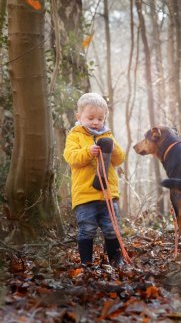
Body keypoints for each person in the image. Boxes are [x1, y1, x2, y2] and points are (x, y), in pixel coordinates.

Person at [63, 92, 126, 268]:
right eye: (90, 118)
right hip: (85, 194)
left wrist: (111, 147)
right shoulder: (75, 135)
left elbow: (119, 159)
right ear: (79, 117)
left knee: (111, 229)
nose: (96, 122)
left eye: (100, 118)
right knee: (87, 229)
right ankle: (86, 263)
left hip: (108, 193)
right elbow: (71, 157)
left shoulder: (108, 135)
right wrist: (87, 152)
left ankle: (115, 261)